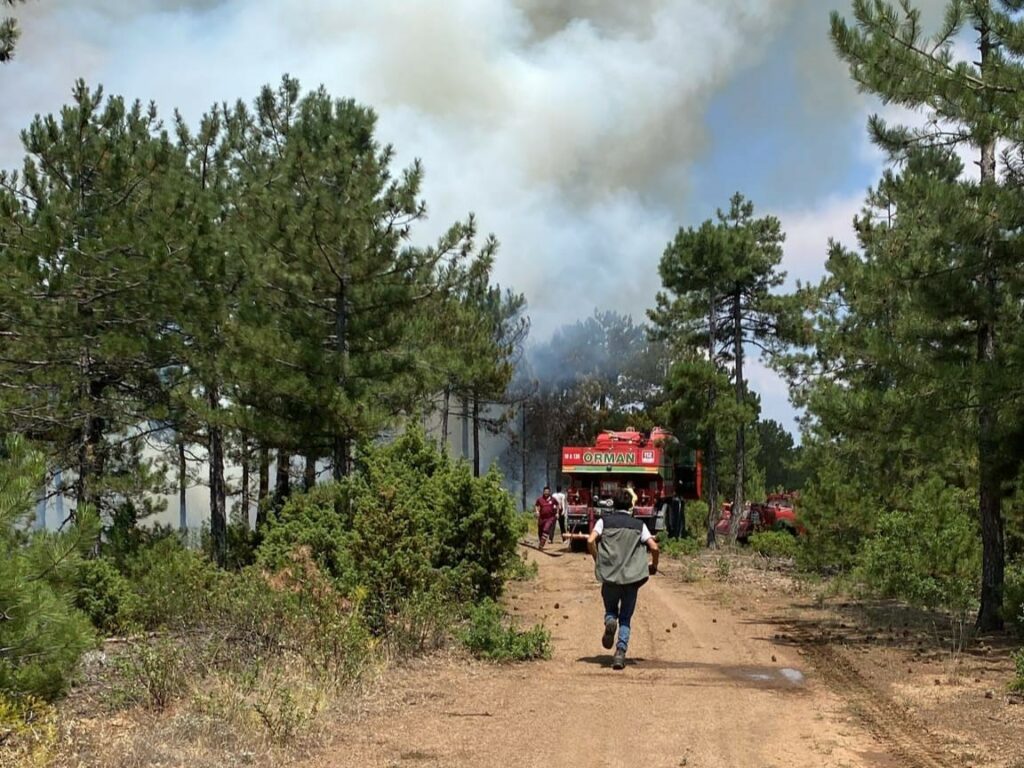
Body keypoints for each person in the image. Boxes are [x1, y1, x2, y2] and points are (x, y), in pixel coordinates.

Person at [587, 490, 659, 670]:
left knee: (611, 610)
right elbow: (654, 547)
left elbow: (590, 541)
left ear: (613, 505)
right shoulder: (638, 525)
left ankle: (610, 621)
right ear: (630, 506)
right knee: (626, 618)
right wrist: (653, 566)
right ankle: (620, 653)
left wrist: (599, 561)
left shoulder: (604, 521)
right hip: (631, 579)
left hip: (610, 578)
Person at [534, 485, 560, 550]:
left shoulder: (553, 499)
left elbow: (557, 505)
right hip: (542, 518)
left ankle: (541, 545)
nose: (546, 493)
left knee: (546, 529)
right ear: (543, 492)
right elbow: (536, 505)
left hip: (550, 518)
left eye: (547, 491)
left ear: (549, 492)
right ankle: (541, 541)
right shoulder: (540, 499)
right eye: (545, 491)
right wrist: (537, 511)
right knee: (540, 531)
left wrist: (557, 513)